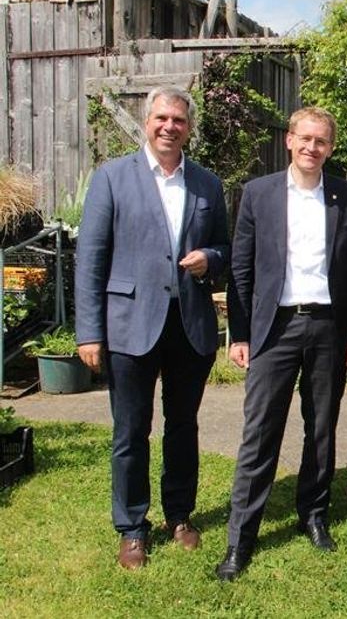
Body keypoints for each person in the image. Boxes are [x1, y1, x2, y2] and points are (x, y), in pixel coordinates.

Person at [75, 86, 229, 569]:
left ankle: (179, 515)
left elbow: (226, 249)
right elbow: (91, 259)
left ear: (189, 127)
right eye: (161, 118)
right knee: (130, 431)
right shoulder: (113, 177)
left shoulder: (207, 184)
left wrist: (210, 258)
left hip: (189, 325)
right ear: (147, 122)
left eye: (178, 120)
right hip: (129, 324)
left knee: (183, 426)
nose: (169, 127)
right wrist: (88, 332)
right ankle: (132, 527)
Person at [216, 107, 347, 581]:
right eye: (305, 138)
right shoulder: (258, 193)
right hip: (274, 329)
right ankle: (241, 538)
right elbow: (240, 269)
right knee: (260, 432)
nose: (312, 148)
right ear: (289, 140)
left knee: (321, 429)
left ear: (331, 147)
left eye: (321, 141)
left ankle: (314, 515)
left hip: (328, 327)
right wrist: (240, 333)